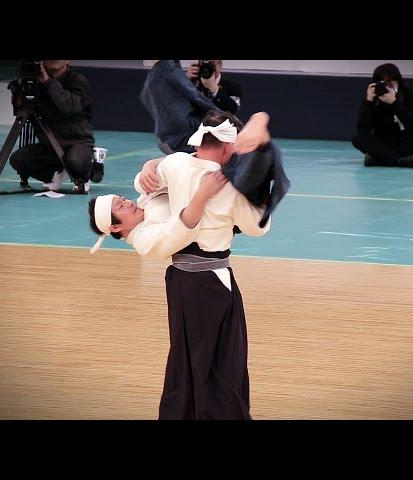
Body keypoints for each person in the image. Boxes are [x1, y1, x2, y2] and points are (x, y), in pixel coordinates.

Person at [135, 110, 287, 420]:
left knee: (184, 357)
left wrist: (147, 167)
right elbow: (258, 228)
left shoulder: (175, 163)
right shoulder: (230, 185)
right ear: (230, 148)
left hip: (178, 279)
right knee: (222, 361)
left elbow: (143, 183)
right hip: (213, 282)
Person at [88, 170, 228, 260]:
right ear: (114, 227)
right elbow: (184, 227)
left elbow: (169, 169)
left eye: (123, 199)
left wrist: (149, 166)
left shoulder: (144, 200)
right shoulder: (145, 243)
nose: (129, 203)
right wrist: (204, 192)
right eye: (120, 206)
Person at [9, 60, 96, 192]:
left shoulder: (78, 80)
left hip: (77, 143)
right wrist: (19, 98)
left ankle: (83, 174)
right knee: (18, 159)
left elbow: (70, 107)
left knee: (77, 161)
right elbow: (26, 111)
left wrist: (47, 82)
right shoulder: (36, 80)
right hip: (50, 146)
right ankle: (54, 175)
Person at [352, 63, 413, 168]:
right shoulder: (373, 96)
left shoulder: (409, 94)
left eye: (391, 83)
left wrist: (394, 103)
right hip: (381, 140)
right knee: (357, 138)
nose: (387, 87)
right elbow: (362, 128)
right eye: (384, 83)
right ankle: (401, 160)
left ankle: (378, 158)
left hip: (404, 140)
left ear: (398, 82)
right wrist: (368, 102)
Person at [139, 60, 221, 154]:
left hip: (168, 135)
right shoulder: (170, 69)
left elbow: (145, 97)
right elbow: (196, 97)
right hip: (185, 134)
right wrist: (222, 115)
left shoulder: (154, 73)